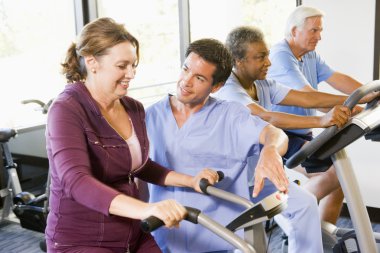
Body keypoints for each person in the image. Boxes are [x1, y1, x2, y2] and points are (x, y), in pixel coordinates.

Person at [45, 17, 219, 253]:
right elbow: (76, 181)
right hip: (82, 240)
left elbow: (139, 166)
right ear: (92, 62)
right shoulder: (67, 109)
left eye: (134, 65)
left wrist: (190, 181)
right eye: (122, 65)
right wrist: (147, 209)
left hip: (132, 233)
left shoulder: (133, 108)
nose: (131, 73)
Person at [146, 38, 323, 253]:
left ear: (217, 86)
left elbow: (274, 134)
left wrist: (270, 150)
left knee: (305, 203)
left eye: (199, 78)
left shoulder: (229, 114)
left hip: (217, 231)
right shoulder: (150, 115)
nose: (186, 81)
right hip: (164, 230)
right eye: (186, 69)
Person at [267, 5, 369, 225]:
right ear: (294, 31)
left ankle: (322, 240)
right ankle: (284, 211)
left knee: (339, 183)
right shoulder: (281, 56)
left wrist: (372, 94)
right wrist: (358, 108)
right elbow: (310, 98)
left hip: (304, 132)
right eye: (314, 30)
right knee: (334, 175)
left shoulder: (310, 55)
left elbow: (337, 78)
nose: (319, 37)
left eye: (320, 31)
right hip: (282, 134)